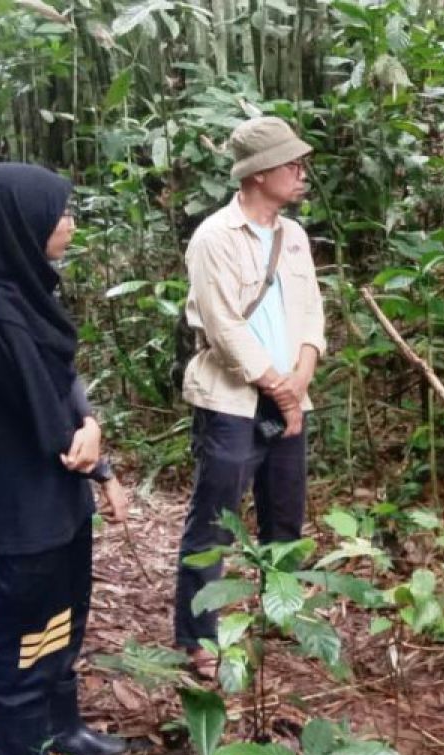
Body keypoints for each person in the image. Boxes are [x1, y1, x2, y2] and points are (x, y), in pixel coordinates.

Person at [0, 164, 129, 755]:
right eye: (60, 214)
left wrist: (95, 436)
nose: (68, 225)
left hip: (57, 495)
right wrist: (92, 452)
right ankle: (21, 746)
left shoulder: (24, 290)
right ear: (20, 222)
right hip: (21, 500)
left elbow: (65, 379)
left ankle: (62, 723)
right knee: (26, 623)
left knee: (65, 607)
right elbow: (50, 418)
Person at [174, 116, 326, 675]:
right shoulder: (215, 237)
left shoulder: (294, 237)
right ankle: (198, 637)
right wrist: (278, 388)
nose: (300, 171)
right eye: (290, 163)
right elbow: (223, 325)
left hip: (291, 393)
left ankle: (277, 615)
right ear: (258, 174)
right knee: (213, 520)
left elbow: (311, 310)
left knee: (285, 511)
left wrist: (303, 374)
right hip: (232, 399)